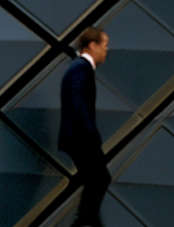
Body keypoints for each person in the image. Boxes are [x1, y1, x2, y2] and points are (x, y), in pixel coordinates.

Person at [59, 26, 110, 227]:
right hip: (81, 138)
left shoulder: (78, 67)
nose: (107, 50)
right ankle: (84, 221)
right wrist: (91, 134)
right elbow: (78, 102)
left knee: (97, 179)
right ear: (92, 45)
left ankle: (86, 221)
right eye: (104, 45)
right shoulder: (81, 68)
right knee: (100, 178)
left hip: (77, 138)